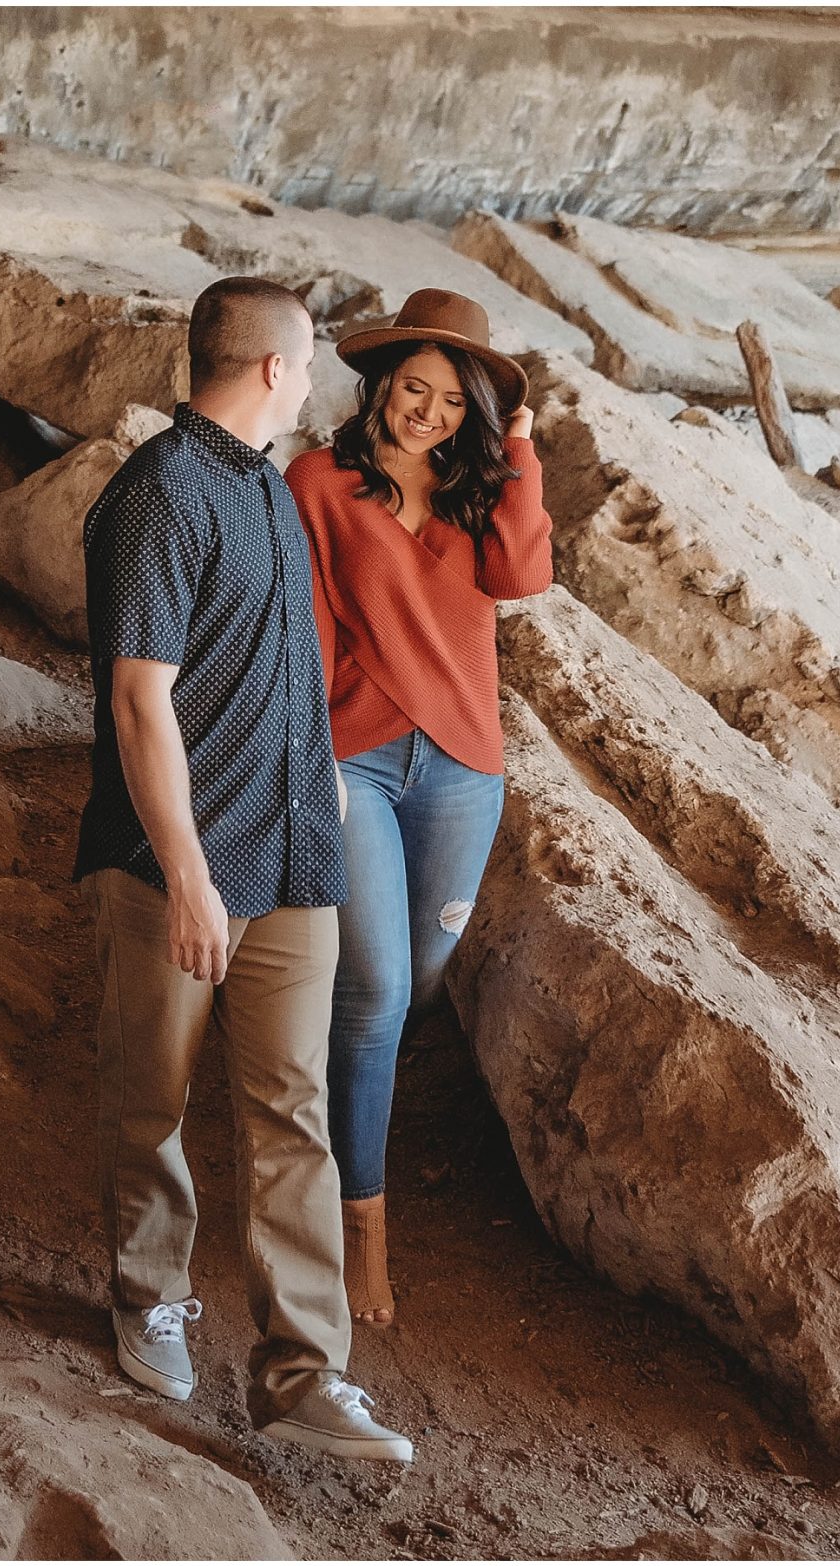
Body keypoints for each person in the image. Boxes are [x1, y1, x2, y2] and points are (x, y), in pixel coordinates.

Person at [75, 274, 414, 1463]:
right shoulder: (157, 496)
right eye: (311, 356)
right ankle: (145, 1294)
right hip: (179, 867)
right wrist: (185, 874)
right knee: (151, 1099)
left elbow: (275, 664)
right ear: (274, 364)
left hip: (290, 856)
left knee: (292, 1114)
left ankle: (304, 1371)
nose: (317, 375)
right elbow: (136, 698)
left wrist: (316, 786)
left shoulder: (266, 487)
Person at [284, 288, 554, 1327]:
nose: (426, 411)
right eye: (412, 389)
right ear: (380, 384)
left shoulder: (476, 492)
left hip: (460, 772)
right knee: (379, 992)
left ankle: (313, 1086)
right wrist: (301, 764)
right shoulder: (317, 482)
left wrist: (517, 445)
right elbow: (303, 636)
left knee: (421, 984)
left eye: (450, 398)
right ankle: (361, 1236)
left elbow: (525, 571)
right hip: (354, 762)